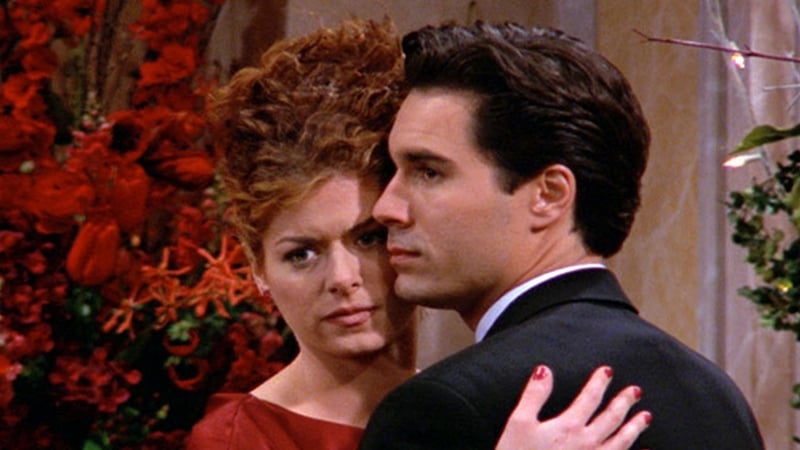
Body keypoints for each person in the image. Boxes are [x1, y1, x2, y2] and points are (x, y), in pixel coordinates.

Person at [186, 19, 650, 450]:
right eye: (301, 254)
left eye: (368, 238)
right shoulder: (235, 439)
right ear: (258, 267)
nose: (343, 279)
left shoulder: (487, 399)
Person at [361, 21, 765, 450]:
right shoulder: (718, 396)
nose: (386, 208)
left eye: (428, 172)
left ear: (549, 195)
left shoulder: (439, 410)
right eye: (394, 171)